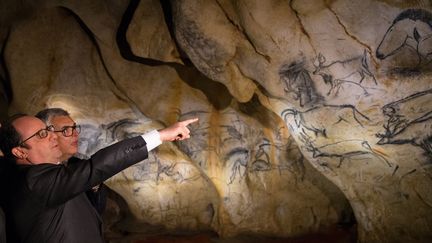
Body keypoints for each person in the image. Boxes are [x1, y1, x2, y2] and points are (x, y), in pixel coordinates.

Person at [0, 114, 197, 243]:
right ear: (19, 151)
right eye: (42, 134)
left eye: (49, 130)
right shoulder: (32, 180)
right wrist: (160, 136)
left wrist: (92, 188)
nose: (52, 136)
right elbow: (99, 165)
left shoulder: (56, 174)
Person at [36, 108, 107, 215]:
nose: (75, 135)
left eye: (74, 128)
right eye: (66, 130)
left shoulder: (80, 164)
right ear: (46, 135)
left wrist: (95, 185)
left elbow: (97, 211)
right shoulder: (37, 174)